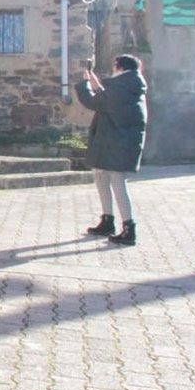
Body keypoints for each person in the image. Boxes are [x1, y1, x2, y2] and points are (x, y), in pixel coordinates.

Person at [76, 54, 148, 246]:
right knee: (101, 177)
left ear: (119, 67)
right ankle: (107, 220)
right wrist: (97, 84)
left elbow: (95, 103)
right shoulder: (128, 85)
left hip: (116, 143)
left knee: (117, 182)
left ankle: (128, 228)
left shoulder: (123, 87)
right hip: (113, 141)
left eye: (114, 66)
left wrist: (84, 85)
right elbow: (109, 101)